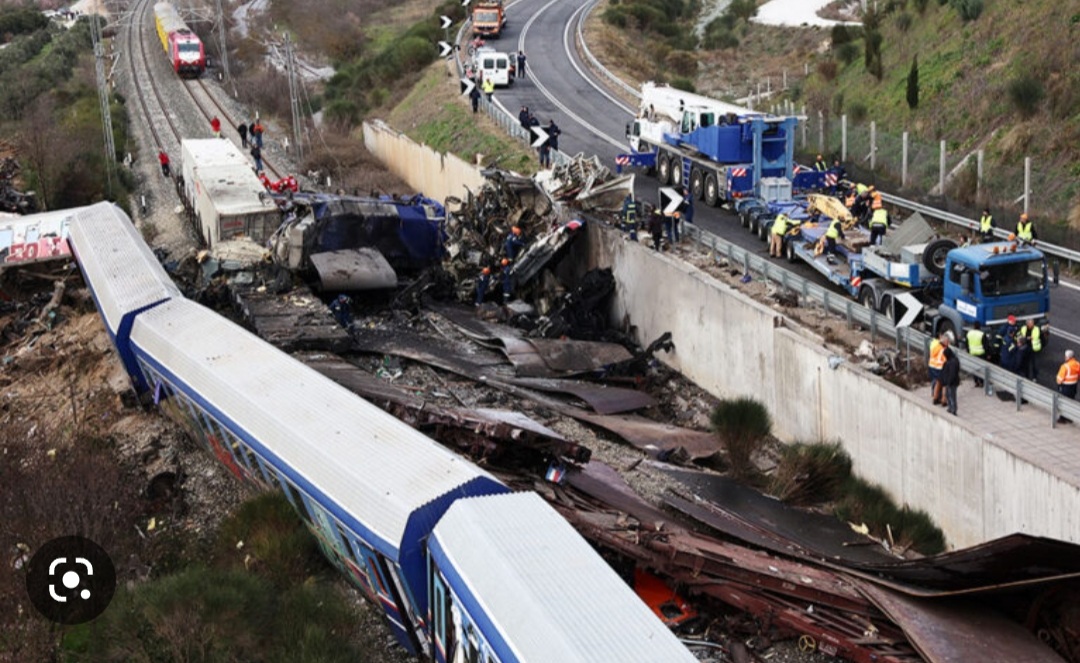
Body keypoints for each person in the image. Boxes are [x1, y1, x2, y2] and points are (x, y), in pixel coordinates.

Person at [928, 333, 947, 405]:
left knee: (936, 382)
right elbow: (945, 360)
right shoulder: (942, 349)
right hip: (939, 367)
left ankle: (935, 397)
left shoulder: (933, 343)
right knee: (944, 383)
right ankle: (943, 400)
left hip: (931, 365)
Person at [940, 346, 960, 415]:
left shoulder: (951, 362)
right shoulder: (954, 360)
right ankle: (951, 408)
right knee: (949, 395)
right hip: (951, 381)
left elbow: (952, 373)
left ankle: (953, 409)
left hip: (952, 382)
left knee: (951, 395)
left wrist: (948, 382)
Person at [965, 321, 985, 387]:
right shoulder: (981, 334)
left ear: (973, 326)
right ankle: (981, 382)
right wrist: (988, 354)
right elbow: (986, 345)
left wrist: (968, 351)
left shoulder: (969, 333)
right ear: (980, 327)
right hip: (981, 354)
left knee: (974, 368)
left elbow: (966, 344)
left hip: (972, 353)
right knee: (981, 369)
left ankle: (976, 382)